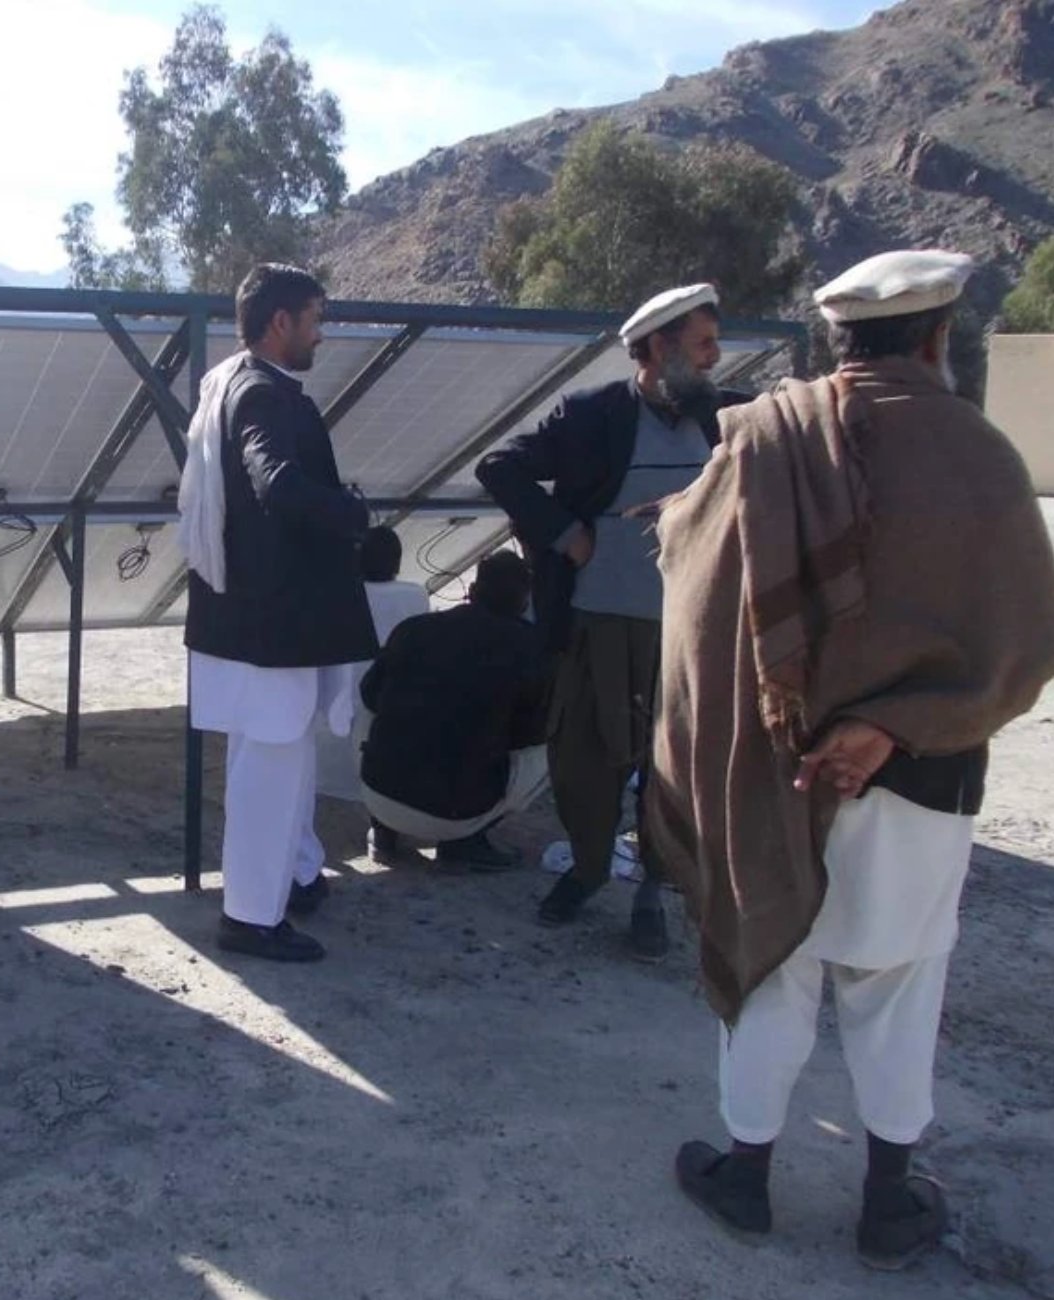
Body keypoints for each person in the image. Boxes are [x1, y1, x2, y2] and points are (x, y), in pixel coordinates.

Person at [648, 250, 1054, 1268]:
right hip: (925, 777)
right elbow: (1023, 645)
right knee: (899, 982)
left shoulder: (763, 442)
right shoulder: (983, 458)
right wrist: (897, 722)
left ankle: (746, 1175)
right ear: (935, 339)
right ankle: (887, 1199)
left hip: (778, 769)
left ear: (840, 340)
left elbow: (691, 589)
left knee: (774, 967)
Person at [476, 283, 751, 961]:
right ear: (658, 348)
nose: (715, 359)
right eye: (702, 344)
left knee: (674, 771)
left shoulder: (726, 416)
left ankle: (654, 888)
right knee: (584, 763)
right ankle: (591, 868)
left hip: (691, 633)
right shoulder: (592, 415)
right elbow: (499, 466)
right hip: (600, 623)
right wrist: (566, 534)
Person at [179, 263, 376, 963]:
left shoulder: (233, 382)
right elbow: (278, 483)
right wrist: (352, 515)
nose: (320, 333)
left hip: (253, 616)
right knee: (271, 765)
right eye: (315, 319)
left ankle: (289, 877)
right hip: (273, 620)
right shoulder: (263, 395)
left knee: (273, 758)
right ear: (280, 322)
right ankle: (250, 918)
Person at [358, 550, 550, 869]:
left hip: (378, 793)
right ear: (524, 603)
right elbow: (532, 733)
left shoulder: (413, 628)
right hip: (457, 815)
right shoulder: (532, 651)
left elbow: (368, 694)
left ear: (472, 593)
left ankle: (383, 832)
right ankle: (465, 844)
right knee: (552, 740)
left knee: (371, 709)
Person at [315, 525, 428, 805]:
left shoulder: (337, 597)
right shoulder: (415, 595)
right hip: (391, 726)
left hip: (334, 740)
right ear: (397, 561)